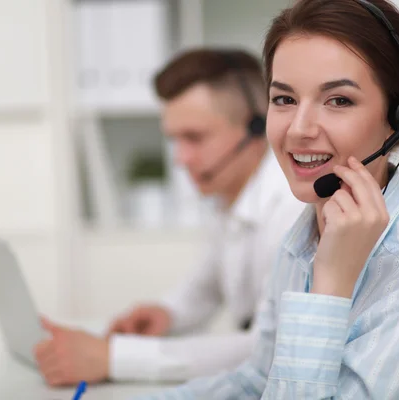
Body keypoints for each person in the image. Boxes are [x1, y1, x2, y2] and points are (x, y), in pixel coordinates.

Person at [136, 0, 399, 398]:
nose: (299, 130)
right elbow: (257, 380)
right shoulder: (301, 239)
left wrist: (331, 282)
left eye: (338, 100)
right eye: (284, 99)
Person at [33, 48, 306, 386]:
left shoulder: (294, 208)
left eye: (194, 137)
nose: (180, 159)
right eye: (175, 140)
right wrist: (166, 315)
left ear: (257, 128)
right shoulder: (229, 198)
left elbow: (267, 348)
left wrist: (112, 358)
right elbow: (204, 289)